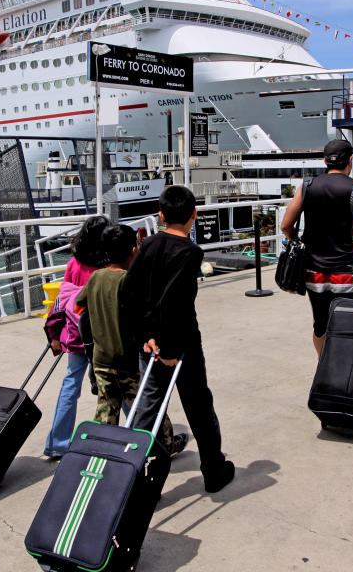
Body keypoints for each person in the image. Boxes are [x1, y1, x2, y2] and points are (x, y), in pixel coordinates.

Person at [121, 185, 235, 493]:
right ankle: (213, 469)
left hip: (149, 343)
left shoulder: (148, 244)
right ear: (194, 215)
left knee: (149, 409)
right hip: (179, 344)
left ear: (160, 216)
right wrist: (170, 348)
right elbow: (177, 305)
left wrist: (144, 336)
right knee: (198, 405)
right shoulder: (190, 252)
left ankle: (135, 480)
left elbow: (128, 293)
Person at [77, 224, 188, 456]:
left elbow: (79, 307)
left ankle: (100, 449)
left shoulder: (96, 277)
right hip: (129, 360)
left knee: (106, 407)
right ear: (132, 251)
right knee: (146, 406)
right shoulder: (130, 280)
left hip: (101, 358)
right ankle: (164, 444)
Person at [280, 140, 353, 355]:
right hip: (345, 274)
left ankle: (324, 367)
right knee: (348, 325)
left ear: (325, 161)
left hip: (314, 274)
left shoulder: (307, 186)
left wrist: (296, 240)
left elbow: (285, 225)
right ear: (350, 161)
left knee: (320, 325)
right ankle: (343, 371)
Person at [42, 215, 110, 458]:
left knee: (71, 383)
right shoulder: (108, 265)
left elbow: (62, 302)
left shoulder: (73, 263)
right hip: (103, 335)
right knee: (115, 385)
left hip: (75, 334)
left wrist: (54, 333)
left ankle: (57, 442)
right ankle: (131, 433)